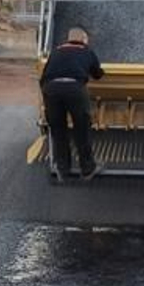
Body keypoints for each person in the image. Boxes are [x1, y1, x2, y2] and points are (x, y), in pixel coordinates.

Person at [41, 26, 105, 181]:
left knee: (58, 130)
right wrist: (100, 72)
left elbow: (45, 74)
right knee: (81, 128)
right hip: (74, 89)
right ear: (83, 39)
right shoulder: (86, 51)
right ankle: (87, 169)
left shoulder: (55, 51)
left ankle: (63, 170)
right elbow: (97, 74)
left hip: (51, 89)